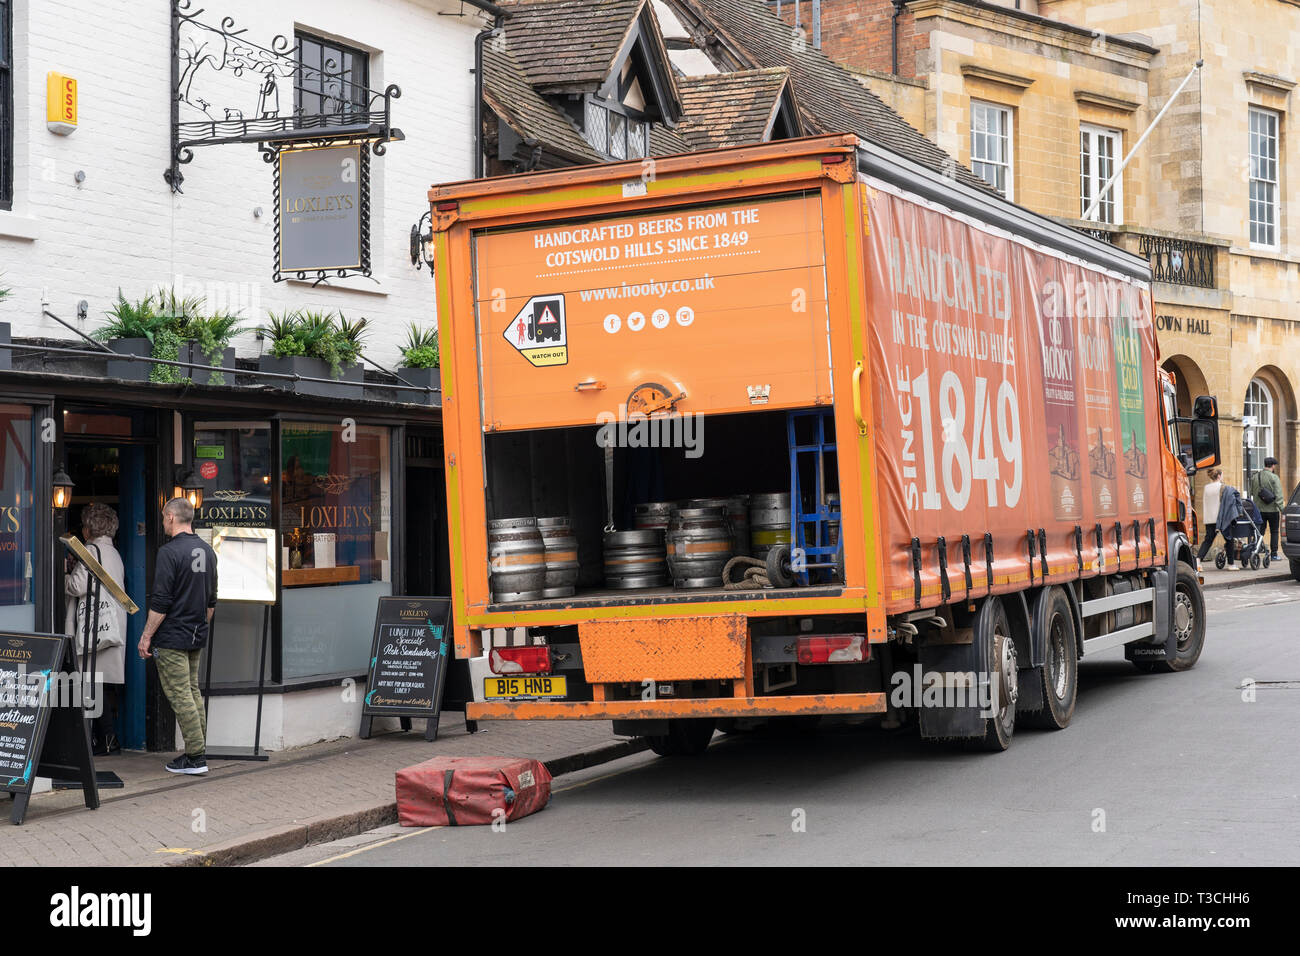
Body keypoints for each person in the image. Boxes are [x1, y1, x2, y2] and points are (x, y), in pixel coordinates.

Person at [138, 498, 218, 775]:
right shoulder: (208, 551)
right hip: (196, 632)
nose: (162, 522)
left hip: (171, 636)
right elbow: (211, 602)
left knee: (180, 693)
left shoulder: (169, 552)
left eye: (163, 517)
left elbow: (161, 601)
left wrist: (146, 636)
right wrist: (197, 625)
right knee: (193, 691)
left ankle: (195, 758)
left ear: (171, 517)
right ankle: (198, 751)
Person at [64, 502, 127, 756]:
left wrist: (63, 574)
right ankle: (108, 738)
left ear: (89, 528)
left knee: (87, 681)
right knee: (95, 682)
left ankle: (91, 741)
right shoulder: (113, 552)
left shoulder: (91, 551)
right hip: (109, 623)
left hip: (94, 625)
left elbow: (77, 587)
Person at [1249, 456, 1284, 560]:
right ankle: (1273, 554)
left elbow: (1251, 492)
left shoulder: (1255, 476)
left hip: (1259, 510)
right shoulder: (1274, 478)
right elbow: (1278, 495)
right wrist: (1282, 509)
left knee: (1260, 531)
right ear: (1273, 466)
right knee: (1274, 531)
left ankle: (1257, 551)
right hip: (1273, 510)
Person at [1196, 468, 1230, 567]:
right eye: (1222, 475)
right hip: (1221, 518)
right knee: (1229, 540)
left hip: (1209, 518)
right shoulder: (1223, 487)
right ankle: (1231, 564)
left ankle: (1198, 561)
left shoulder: (1206, 487)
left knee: (1208, 541)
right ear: (1219, 476)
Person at [1216, 480, 1247, 570]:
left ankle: (1229, 562)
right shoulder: (1229, 494)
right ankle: (1231, 564)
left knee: (1229, 541)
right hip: (1228, 521)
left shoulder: (1223, 497)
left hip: (1223, 522)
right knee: (1230, 542)